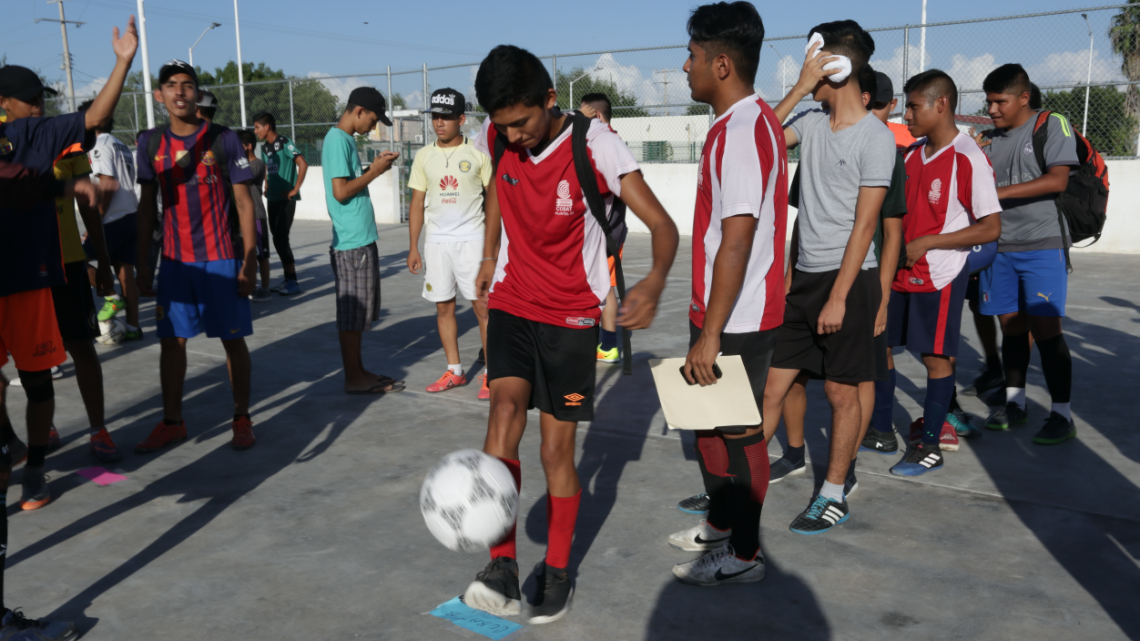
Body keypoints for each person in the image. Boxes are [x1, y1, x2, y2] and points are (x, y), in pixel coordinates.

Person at [462, 44, 678, 623]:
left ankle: (558, 570)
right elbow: (496, 194)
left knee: (555, 448)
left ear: (550, 100)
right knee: (502, 417)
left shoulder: (595, 145)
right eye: (502, 127)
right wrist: (488, 255)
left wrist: (654, 282)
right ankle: (501, 564)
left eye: (522, 124)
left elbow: (663, 225)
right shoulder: (496, 134)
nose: (512, 137)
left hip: (572, 319)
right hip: (511, 301)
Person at [0, 15, 136, 638]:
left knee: (50, 372)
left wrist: (122, 63)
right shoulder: (21, 136)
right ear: (8, 103)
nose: (39, 110)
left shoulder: (41, 140)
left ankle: (32, 464)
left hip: (47, 272)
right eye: (33, 101)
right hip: (27, 278)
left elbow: (90, 130)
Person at [664, 1, 785, 588]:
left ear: (719, 64)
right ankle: (720, 525)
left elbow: (736, 241)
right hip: (718, 309)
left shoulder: (742, 131)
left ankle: (745, 554)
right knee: (706, 424)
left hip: (738, 315)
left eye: (689, 56)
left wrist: (711, 334)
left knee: (738, 433)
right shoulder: (738, 122)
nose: (682, 66)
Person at [764, 19, 894, 535]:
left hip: (849, 283)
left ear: (836, 67)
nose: (805, 69)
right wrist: (797, 87)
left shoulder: (875, 138)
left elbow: (866, 227)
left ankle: (834, 492)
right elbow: (762, 139)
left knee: (842, 394)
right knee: (772, 386)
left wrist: (839, 297)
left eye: (813, 60)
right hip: (804, 283)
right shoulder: (813, 122)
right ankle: (736, 483)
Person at [135, 60, 259, 453]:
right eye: (171, 85)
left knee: (232, 340)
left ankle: (241, 417)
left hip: (221, 260)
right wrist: (143, 263)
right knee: (172, 343)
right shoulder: (149, 143)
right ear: (159, 95)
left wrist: (250, 259)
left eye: (187, 85)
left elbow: (244, 202)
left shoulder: (224, 139)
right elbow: (145, 206)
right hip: (174, 263)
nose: (179, 91)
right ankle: (172, 422)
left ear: (197, 92)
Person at [884, 70, 1002, 476]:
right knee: (882, 346)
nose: (907, 115)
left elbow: (991, 227)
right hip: (900, 270)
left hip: (939, 273)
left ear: (941, 104)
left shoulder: (968, 156)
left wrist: (929, 242)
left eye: (914, 106)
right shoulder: (913, 154)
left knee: (936, 357)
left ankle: (930, 443)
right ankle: (882, 428)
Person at [978, 64, 1078, 445]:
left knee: (1047, 332)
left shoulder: (1051, 124)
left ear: (1023, 97)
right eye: (988, 102)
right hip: (999, 248)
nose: (992, 110)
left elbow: (1057, 179)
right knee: (1012, 329)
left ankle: (1061, 415)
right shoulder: (987, 139)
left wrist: (995, 194)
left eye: (1000, 101)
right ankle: (1014, 403)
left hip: (1042, 245)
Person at [407, 88, 493, 400]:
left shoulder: (478, 153)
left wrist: (493, 247)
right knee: (444, 308)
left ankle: (491, 374)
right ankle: (455, 371)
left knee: (482, 307)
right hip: (437, 244)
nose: (439, 123)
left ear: (461, 119)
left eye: (445, 117)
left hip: (473, 241)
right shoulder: (423, 156)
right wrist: (414, 246)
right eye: (435, 117)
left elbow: (493, 198)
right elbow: (417, 203)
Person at [322, 87, 406, 395]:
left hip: (358, 240)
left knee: (358, 315)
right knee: (351, 315)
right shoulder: (336, 141)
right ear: (358, 111)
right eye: (372, 120)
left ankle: (357, 372)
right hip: (351, 242)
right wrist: (374, 171)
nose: (373, 127)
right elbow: (341, 191)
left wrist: (374, 168)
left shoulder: (342, 140)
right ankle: (353, 377)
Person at [77, 98, 142, 341]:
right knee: (126, 273)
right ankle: (133, 328)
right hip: (130, 217)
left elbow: (107, 185)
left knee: (76, 262)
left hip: (111, 220)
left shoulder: (99, 145)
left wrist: (95, 222)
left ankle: (112, 297)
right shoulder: (121, 145)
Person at [578, 92, 629, 364]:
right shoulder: (608, 141)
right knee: (601, 285)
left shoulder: (605, 144)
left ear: (595, 116)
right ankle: (601, 341)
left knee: (606, 287)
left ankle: (608, 345)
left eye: (581, 114)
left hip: (607, 232)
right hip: (606, 230)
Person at [255, 111, 308, 295]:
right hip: (273, 199)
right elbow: (269, 169)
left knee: (280, 239)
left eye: (257, 127)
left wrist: (295, 189)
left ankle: (293, 282)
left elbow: (303, 163)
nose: (255, 131)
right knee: (277, 239)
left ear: (267, 126)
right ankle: (287, 280)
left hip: (286, 200)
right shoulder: (265, 148)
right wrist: (267, 184)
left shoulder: (285, 142)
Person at [239, 129, 272, 301]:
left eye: (239, 146)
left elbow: (242, 177)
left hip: (256, 216)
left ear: (248, 146)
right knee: (247, 252)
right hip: (243, 216)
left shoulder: (257, 164)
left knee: (262, 254)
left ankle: (265, 289)